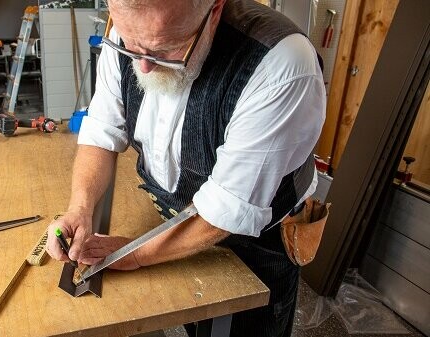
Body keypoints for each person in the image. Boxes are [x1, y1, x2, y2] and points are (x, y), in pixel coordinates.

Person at [46, 0, 325, 335]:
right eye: (133, 46)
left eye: (166, 49)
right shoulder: (132, 32)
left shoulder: (281, 63)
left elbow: (225, 209)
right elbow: (103, 132)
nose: (144, 66)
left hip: (252, 243)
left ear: (215, 11)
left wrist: (133, 255)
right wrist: (80, 208)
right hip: (171, 217)